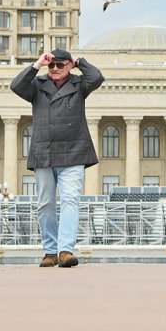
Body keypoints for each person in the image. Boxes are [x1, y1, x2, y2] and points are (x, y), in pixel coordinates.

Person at [11, 48, 104, 268]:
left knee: (70, 200)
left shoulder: (79, 85)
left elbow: (97, 77)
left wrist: (78, 60)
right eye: (51, 65)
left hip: (73, 152)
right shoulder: (37, 85)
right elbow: (16, 86)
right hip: (44, 152)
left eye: (60, 65)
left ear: (69, 66)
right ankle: (50, 251)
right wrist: (37, 64)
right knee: (45, 204)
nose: (54, 69)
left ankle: (65, 251)